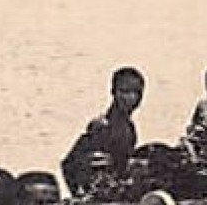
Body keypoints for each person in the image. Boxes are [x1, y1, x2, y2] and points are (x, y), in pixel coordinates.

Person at [61, 67, 145, 196]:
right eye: (124, 92)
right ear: (113, 92)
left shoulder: (128, 127)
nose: (131, 98)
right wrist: (80, 195)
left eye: (136, 93)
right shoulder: (102, 127)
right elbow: (68, 164)